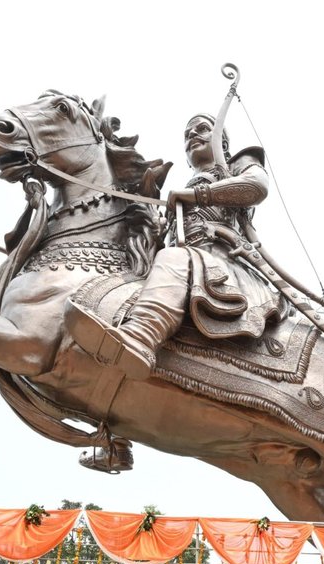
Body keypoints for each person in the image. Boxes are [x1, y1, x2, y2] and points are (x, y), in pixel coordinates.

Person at [66, 112, 279, 381]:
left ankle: (140, 337)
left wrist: (195, 195)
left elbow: (256, 187)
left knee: (173, 258)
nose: (192, 135)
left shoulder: (238, 164)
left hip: (222, 262)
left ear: (221, 142)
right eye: (187, 134)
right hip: (187, 263)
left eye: (202, 129)